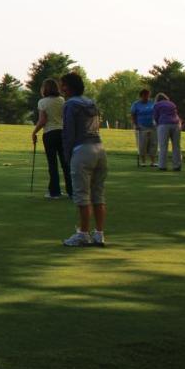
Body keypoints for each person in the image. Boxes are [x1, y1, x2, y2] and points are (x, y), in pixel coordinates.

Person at [60, 73, 108, 247]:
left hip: (82, 149)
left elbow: (69, 132)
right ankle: (99, 233)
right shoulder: (91, 102)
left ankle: (83, 233)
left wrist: (67, 155)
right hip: (99, 148)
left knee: (82, 195)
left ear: (68, 87)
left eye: (63, 85)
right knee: (98, 194)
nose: (61, 89)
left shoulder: (70, 105)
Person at [31, 78, 71, 199]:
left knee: (52, 164)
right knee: (65, 163)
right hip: (62, 133)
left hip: (49, 134)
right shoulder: (61, 100)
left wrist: (34, 132)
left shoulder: (42, 102)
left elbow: (42, 120)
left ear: (45, 89)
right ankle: (72, 191)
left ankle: (54, 192)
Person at [154, 93, 183, 171]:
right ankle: (177, 166)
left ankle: (162, 166)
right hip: (176, 124)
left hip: (164, 125)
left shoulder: (157, 105)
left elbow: (155, 116)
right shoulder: (172, 104)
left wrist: (157, 124)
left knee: (163, 146)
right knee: (176, 146)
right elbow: (176, 114)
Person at [130, 88, 156, 167]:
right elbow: (133, 115)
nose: (146, 97)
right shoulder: (136, 104)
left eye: (148, 96)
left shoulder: (152, 103)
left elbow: (156, 113)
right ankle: (143, 161)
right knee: (142, 144)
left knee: (153, 144)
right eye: (145, 96)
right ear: (141, 96)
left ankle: (152, 162)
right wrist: (136, 125)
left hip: (152, 126)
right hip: (141, 127)